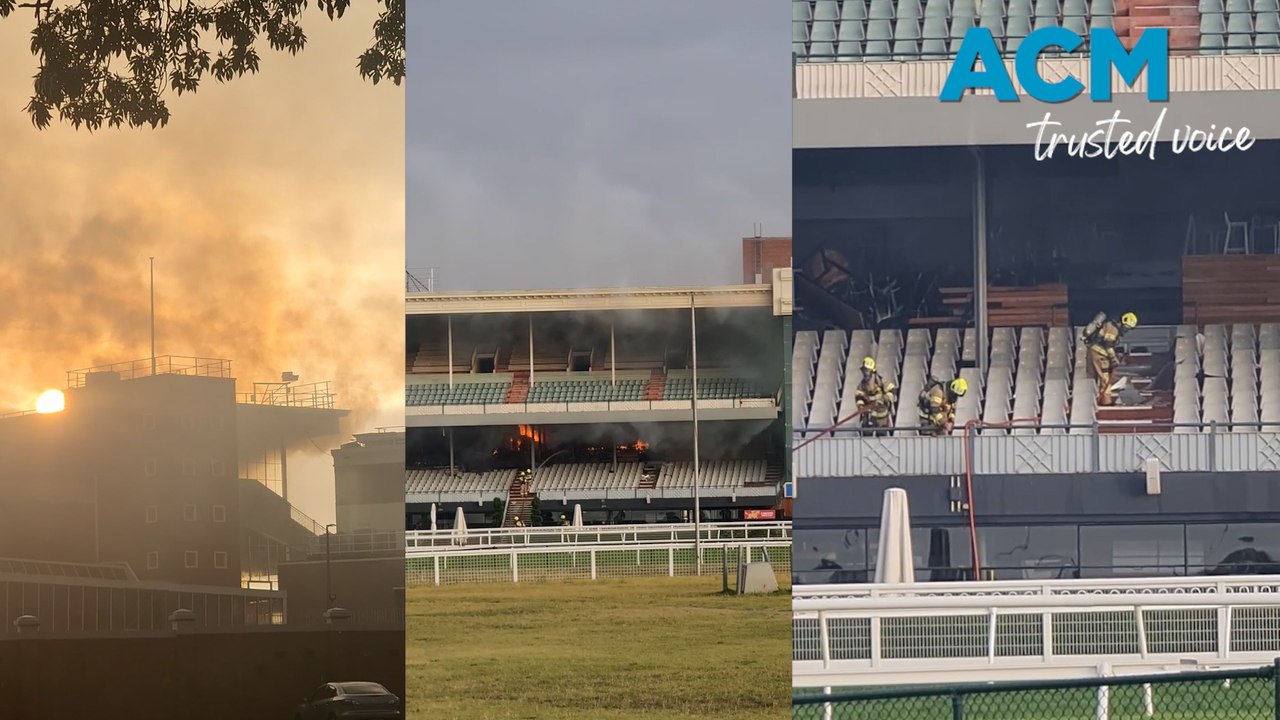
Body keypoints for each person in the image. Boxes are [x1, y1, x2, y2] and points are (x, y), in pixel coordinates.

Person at [1082, 311, 1137, 406]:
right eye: (1127, 328)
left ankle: (1094, 400)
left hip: (1095, 352)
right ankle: (1106, 401)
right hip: (1099, 355)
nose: (1126, 330)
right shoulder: (1113, 329)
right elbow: (1108, 345)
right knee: (1105, 379)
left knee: (1095, 377)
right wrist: (1113, 359)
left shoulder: (1110, 325)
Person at [854, 356, 896, 436]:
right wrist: (861, 407)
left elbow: (891, 391)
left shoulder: (882, 383)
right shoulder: (861, 386)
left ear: (872, 372)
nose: (864, 373)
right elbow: (859, 398)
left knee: (881, 439)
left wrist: (884, 399)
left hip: (881, 418)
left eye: (866, 371)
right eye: (864, 371)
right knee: (867, 439)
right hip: (868, 418)